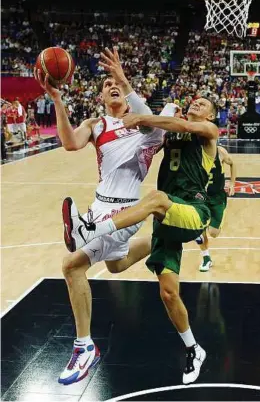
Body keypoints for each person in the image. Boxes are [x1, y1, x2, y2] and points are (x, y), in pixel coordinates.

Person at [62, 97, 219, 384]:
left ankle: (90, 230)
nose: (197, 102)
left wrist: (142, 117)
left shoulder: (209, 131)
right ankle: (194, 348)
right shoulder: (173, 132)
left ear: (212, 114)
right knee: (167, 293)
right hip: (168, 218)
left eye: (204, 103)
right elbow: (164, 128)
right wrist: (143, 115)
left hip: (193, 209)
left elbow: (176, 123)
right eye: (195, 100)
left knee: (156, 199)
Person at [34, 47, 166, 386]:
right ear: (101, 96)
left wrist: (125, 78)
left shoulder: (141, 122)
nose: (112, 86)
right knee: (116, 265)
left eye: (117, 83)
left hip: (126, 209)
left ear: (125, 90)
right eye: (107, 84)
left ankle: (84, 347)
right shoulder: (96, 124)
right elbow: (69, 143)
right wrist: (58, 98)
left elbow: (155, 129)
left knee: (72, 265)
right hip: (99, 203)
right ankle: (164, 239)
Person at [195, 146, 236, 272]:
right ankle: (206, 258)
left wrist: (233, 183)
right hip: (201, 196)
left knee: (213, 233)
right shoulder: (195, 152)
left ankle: (209, 221)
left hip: (217, 197)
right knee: (199, 229)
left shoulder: (220, 152)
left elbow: (232, 164)